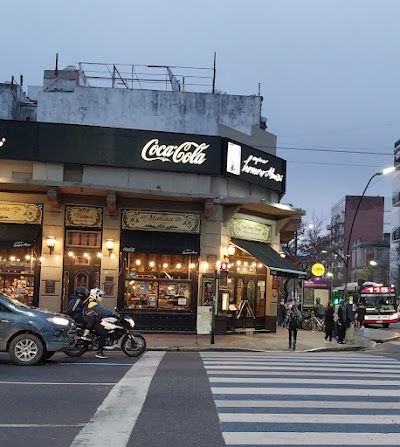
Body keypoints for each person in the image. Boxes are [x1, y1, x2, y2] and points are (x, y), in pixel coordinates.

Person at [84, 288, 113, 359]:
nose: (101, 297)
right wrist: (111, 313)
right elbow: (103, 311)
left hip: (95, 320)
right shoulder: (92, 303)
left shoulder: (93, 302)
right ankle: (99, 352)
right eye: (100, 295)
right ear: (94, 295)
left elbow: (99, 312)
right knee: (103, 333)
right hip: (93, 321)